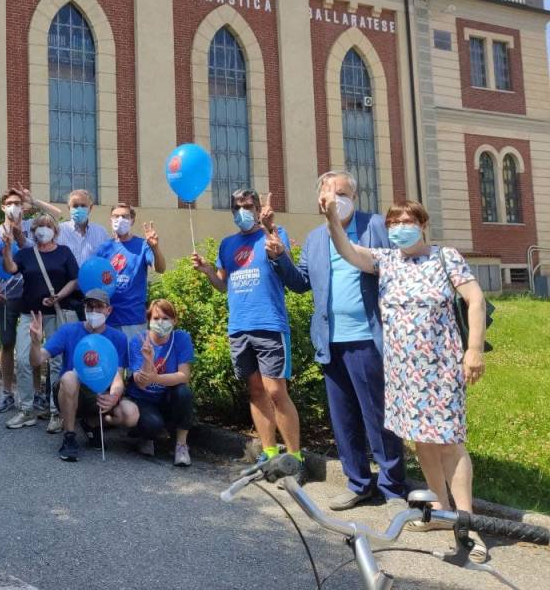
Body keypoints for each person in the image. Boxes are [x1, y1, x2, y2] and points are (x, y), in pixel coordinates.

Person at [320, 193, 490, 562]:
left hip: (441, 368)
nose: (398, 229)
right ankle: (439, 511)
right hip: (400, 371)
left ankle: (466, 523)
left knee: (449, 442)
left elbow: (475, 300)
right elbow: (348, 250)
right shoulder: (386, 261)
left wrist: (473, 349)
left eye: (406, 222)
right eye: (393, 223)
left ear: (423, 225)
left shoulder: (446, 258)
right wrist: (333, 220)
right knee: (420, 441)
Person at [272, 171, 406, 512]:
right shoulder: (316, 238)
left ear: (355, 196)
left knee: (378, 416)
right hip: (330, 341)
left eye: (343, 193)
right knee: (344, 419)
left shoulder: (374, 225)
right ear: (320, 200)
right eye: (330, 195)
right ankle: (358, 482)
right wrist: (279, 258)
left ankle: (392, 488)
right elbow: (301, 282)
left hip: (368, 338)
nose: (336, 200)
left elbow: (399, 269)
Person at [191, 189, 304, 475]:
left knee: (276, 391)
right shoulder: (227, 245)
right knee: (255, 392)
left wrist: (270, 229)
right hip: (239, 327)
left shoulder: (274, 233)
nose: (243, 211)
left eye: (249, 206)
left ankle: (295, 458)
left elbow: (290, 270)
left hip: (269, 324)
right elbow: (223, 285)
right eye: (238, 207)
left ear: (258, 208)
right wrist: (207, 270)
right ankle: (268, 453)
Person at [28, 290, 132, 462]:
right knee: (69, 377)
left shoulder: (118, 338)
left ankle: (91, 423)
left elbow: (117, 376)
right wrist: (35, 342)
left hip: (99, 394)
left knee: (127, 414)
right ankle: (69, 436)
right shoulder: (68, 331)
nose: (94, 311)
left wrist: (114, 396)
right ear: (84, 308)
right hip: (68, 391)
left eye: (99, 307)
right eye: (90, 306)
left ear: (109, 310)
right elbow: (36, 360)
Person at [1, 214, 80, 433]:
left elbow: (74, 279)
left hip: (56, 313)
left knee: (55, 363)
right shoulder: (26, 253)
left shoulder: (64, 252)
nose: (43, 230)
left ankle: (57, 411)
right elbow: (10, 269)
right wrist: (7, 248)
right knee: (24, 359)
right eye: (39, 227)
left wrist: (59, 296)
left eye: (47, 226)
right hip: (29, 313)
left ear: (55, 231)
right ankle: (26, 410)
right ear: (33, 231)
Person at [118, 299, 195, 467]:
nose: (161, 322)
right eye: (156, 318)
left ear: (174, 321)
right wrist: (147, 359)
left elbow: (184, 376)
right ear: (149, 321)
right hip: (143, 398)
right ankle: (145, 436)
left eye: (166, 318)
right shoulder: (138, 341)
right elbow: (142, 384)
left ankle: (181, 445)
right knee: (153, 424)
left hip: (167, 396)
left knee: (184, 392)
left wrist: (156, 378)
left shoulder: (181, 338)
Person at [94, 203, 166, 342]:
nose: (120, 220)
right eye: (116, 216)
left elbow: (160, 269)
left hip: (133, 320)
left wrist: (155, 248)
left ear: (132, 220)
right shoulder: (104, 248)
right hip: (107, 319)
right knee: (112, 362)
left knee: (135, 362)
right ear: (110, 220)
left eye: (125, 216)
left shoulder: (143, 245)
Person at [0, 189, 29, 414]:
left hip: (28, 296)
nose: (14, 206)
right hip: (5, 296)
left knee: (32, 345)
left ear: (24, 208)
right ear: (3, 207)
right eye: (10, 203)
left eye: (18, 203)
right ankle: (7, 394)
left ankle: (35, 393)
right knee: (7, 344)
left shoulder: (32, 229)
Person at [55, 189, 110, 267]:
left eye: (83, 206)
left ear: (90, 208)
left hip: (92, 278)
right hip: (66, 279)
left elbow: (107, 260)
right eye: (75, 206)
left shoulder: (101, 232)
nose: (79, 209)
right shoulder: (59, 231)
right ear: (69, 208)